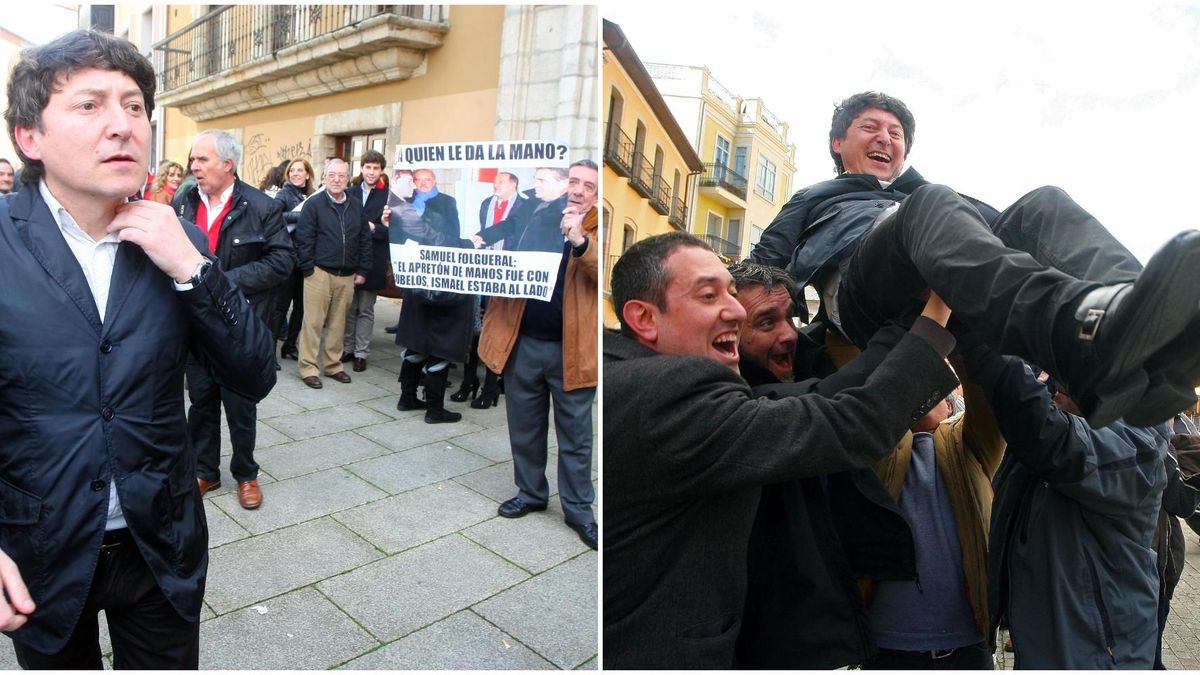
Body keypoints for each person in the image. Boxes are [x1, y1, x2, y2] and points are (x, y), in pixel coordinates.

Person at [0, 29, 275, 668]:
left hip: (161, 544)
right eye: (90, 105)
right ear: (29, 137)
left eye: (133, 106)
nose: (122, 125)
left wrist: (194, 272)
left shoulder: (174, 236)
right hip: (40, 545)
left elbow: (254, 373)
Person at [603, 232, 960, 669]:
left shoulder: (627, 372)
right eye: (710, 295)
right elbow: (849, 421)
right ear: (643, 318)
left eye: (732, 294)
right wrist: (936, 307)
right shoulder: (670, 395)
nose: (733, 310)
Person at [751, 91, 1200, 429]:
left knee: (1043, 204)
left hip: (951, 298)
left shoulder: (928, 197)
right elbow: (763, 265)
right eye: (871, 127)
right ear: (837, 142)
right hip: (862, 294)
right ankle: (1078, 328)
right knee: (928, 203)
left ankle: (1147, 330)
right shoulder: (815, 197)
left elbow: (1000, 235)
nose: (886, 138)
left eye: (896, 134)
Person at [726, 262, 1004, 669]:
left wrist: (963, 314)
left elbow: (992, 397)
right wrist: (923, 308)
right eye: (766, 321)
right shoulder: (871, 444)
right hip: (842, 647)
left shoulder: (967, 446)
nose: (790, 335)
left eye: (791, 319)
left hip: (966, 648)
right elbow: (858, 391)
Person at [983, 354, 1168, 668]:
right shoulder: (1060, 431)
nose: (1062, 379)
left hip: (1099, 656)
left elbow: (1051, 439)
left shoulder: (1140, 442)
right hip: (1045, 646)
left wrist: (986, 347)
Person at [476, 160, 599, 548]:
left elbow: (603, 272)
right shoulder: (537, 213)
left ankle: (579, 510)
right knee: (524, 426)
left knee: (576, 436)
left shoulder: (598, 225)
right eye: (574, 182)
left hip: (573, 350)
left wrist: (580, 241)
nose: (578, 190)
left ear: (596, 193)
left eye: (587, 185)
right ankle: (530, 493)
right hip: (523, 339)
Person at [173, 129, 292, 509]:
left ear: (228, 164)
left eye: (202, 160)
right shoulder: (183, 201)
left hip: (239, 324)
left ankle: (246, 474)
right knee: (202, 400)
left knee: (240, 405)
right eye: (193, 159)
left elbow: (281, 261)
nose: (194, 166)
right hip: (195, 325)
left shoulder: (261, 206)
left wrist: (222, 282)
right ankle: (205, 470)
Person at [387, 167, 473, 423]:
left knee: (431, 341)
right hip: (418, 282)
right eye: (418, 180)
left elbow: (450, 237)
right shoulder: (404, 205)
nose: (423, 184)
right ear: (412, 182)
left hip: (439, 278)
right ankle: (428, 407)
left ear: (435, 181)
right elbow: (404, 238)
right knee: (429, 341)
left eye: (428, 179)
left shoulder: (447, 202)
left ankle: (411, 399)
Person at [294, 157, 372, 389]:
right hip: (319, 272)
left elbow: (364, 240)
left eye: (341, 176)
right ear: (324, 177)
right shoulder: (314, 204)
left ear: (348, 179)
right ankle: (308, 367)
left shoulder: (356, 205)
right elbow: (303, 239)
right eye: (332, 175)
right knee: (314, 322)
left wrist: (363, 269)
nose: (336, 180)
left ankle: (333, 365)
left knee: (339, 323)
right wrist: (308, 269)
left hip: (347, 275)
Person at [454, 171, 524, 405]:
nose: (495, 185)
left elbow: (512, 232)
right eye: (494, 182)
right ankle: (468, 380)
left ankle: (492, 385)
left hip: (508, 273)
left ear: (513, 184)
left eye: (500, 182)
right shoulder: (486, 204)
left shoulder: (524, 206)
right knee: (474, 326)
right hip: (483, 270)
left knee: (499, 330)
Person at [340, 149, 389, 372]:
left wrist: (374, 228)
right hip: (349, 257)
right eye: (368, 167)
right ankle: (347, 348)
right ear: (361, 168)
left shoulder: (389, 196)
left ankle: (361, 352)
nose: (371, 172)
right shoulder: (349, 192)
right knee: (348, 307)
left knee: (366, 309)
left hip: (375, 259)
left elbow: (393, 231)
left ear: (381, 171)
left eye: (376, 168)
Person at [271, 157, 315, 361]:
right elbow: (275, 216)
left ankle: (290, 345)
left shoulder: (312, 196)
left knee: (301, 307)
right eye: (292, 171)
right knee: (280, 307)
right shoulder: (283, 194)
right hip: (287, 258)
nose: (296, 174)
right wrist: (302, 216)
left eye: (300, 170)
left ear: (308, 174)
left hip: (305, 259)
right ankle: (269, 352)